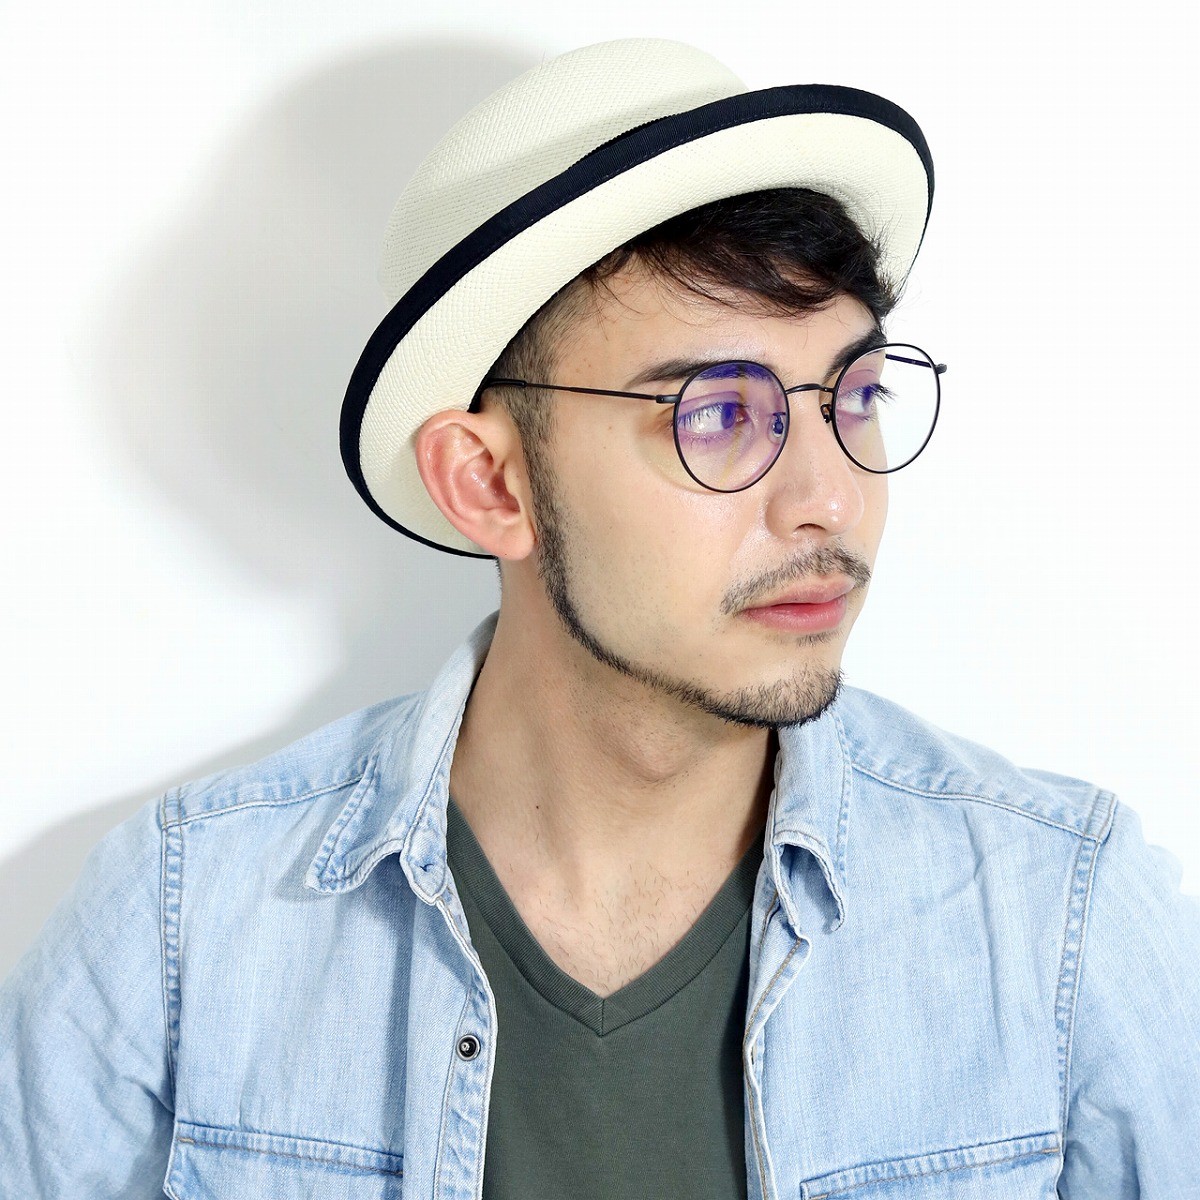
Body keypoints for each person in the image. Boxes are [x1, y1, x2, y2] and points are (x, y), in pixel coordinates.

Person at [1, 36, 1196, 1200]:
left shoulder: (1059, 916)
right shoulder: (181, 925)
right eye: (718, 415)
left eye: (855, 396)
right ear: (490, 483)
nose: (830, 499)